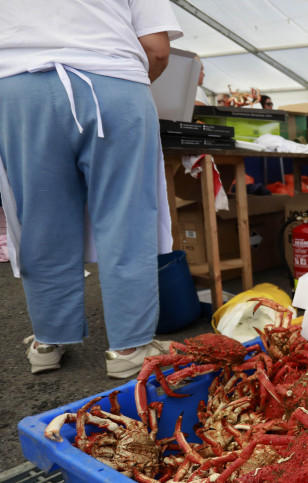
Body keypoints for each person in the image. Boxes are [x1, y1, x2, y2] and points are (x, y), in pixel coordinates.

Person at [0, 0, 181, 377]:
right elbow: (157, 49)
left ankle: (48, 341)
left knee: (40, 216)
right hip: (112, 80)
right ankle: (130, 347)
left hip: (17, 89)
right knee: (126, 216)